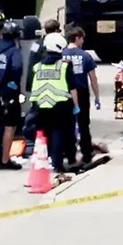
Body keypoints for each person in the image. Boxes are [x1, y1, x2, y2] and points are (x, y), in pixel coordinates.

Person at [29, 32, 78, 172]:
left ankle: (49, 159)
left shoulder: (37, 67)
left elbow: (32, 85)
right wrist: (76, 105)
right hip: (60, 105)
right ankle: (58, 163)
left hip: (41, 106)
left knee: (47, 134)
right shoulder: (64, 66)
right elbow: (72, 88)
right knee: (59, 134)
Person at [62, 25, 101, 169]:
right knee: (84, 124)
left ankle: (69, 153)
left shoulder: (62, 54)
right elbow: (93, 78)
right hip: (82, 92)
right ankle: (86, 152)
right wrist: (97, 96)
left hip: (65, 92)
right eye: (82, 38)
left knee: (68, 124)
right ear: (77, 38)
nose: (83, 41)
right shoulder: (85, 56)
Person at [0, 14, 24, 169]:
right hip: (9, 93)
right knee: (10, 126)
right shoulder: (14, 51)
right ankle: (4, 160)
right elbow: (16, 68)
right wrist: (13, 85)